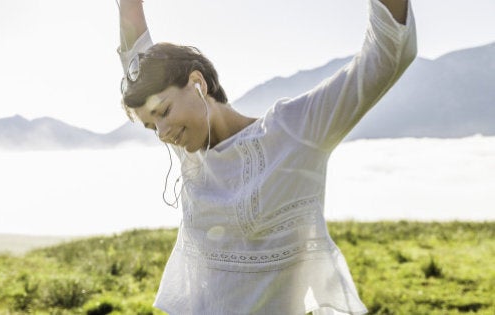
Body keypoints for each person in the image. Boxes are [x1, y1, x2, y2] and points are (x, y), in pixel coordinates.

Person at [116, 0, 417, 314]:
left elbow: (387, 55)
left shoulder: (293, 131)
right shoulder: (190, 153)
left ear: (197, 83)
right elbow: (135, 48)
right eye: (152, 127)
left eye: (164, 112)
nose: (163, 132)